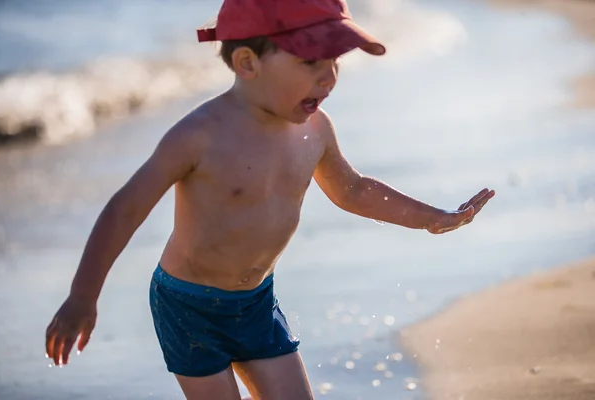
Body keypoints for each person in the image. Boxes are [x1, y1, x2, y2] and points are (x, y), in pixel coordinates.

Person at [45, 0, 495, 399]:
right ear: (247, 62)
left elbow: (352, 189)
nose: (329, 77)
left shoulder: (315, 130)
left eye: (335, 62)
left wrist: (431, 218)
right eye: (311, 61)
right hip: (188, 306)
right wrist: (83, 296)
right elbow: (126, 208)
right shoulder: (199, 137)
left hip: (256, 302)